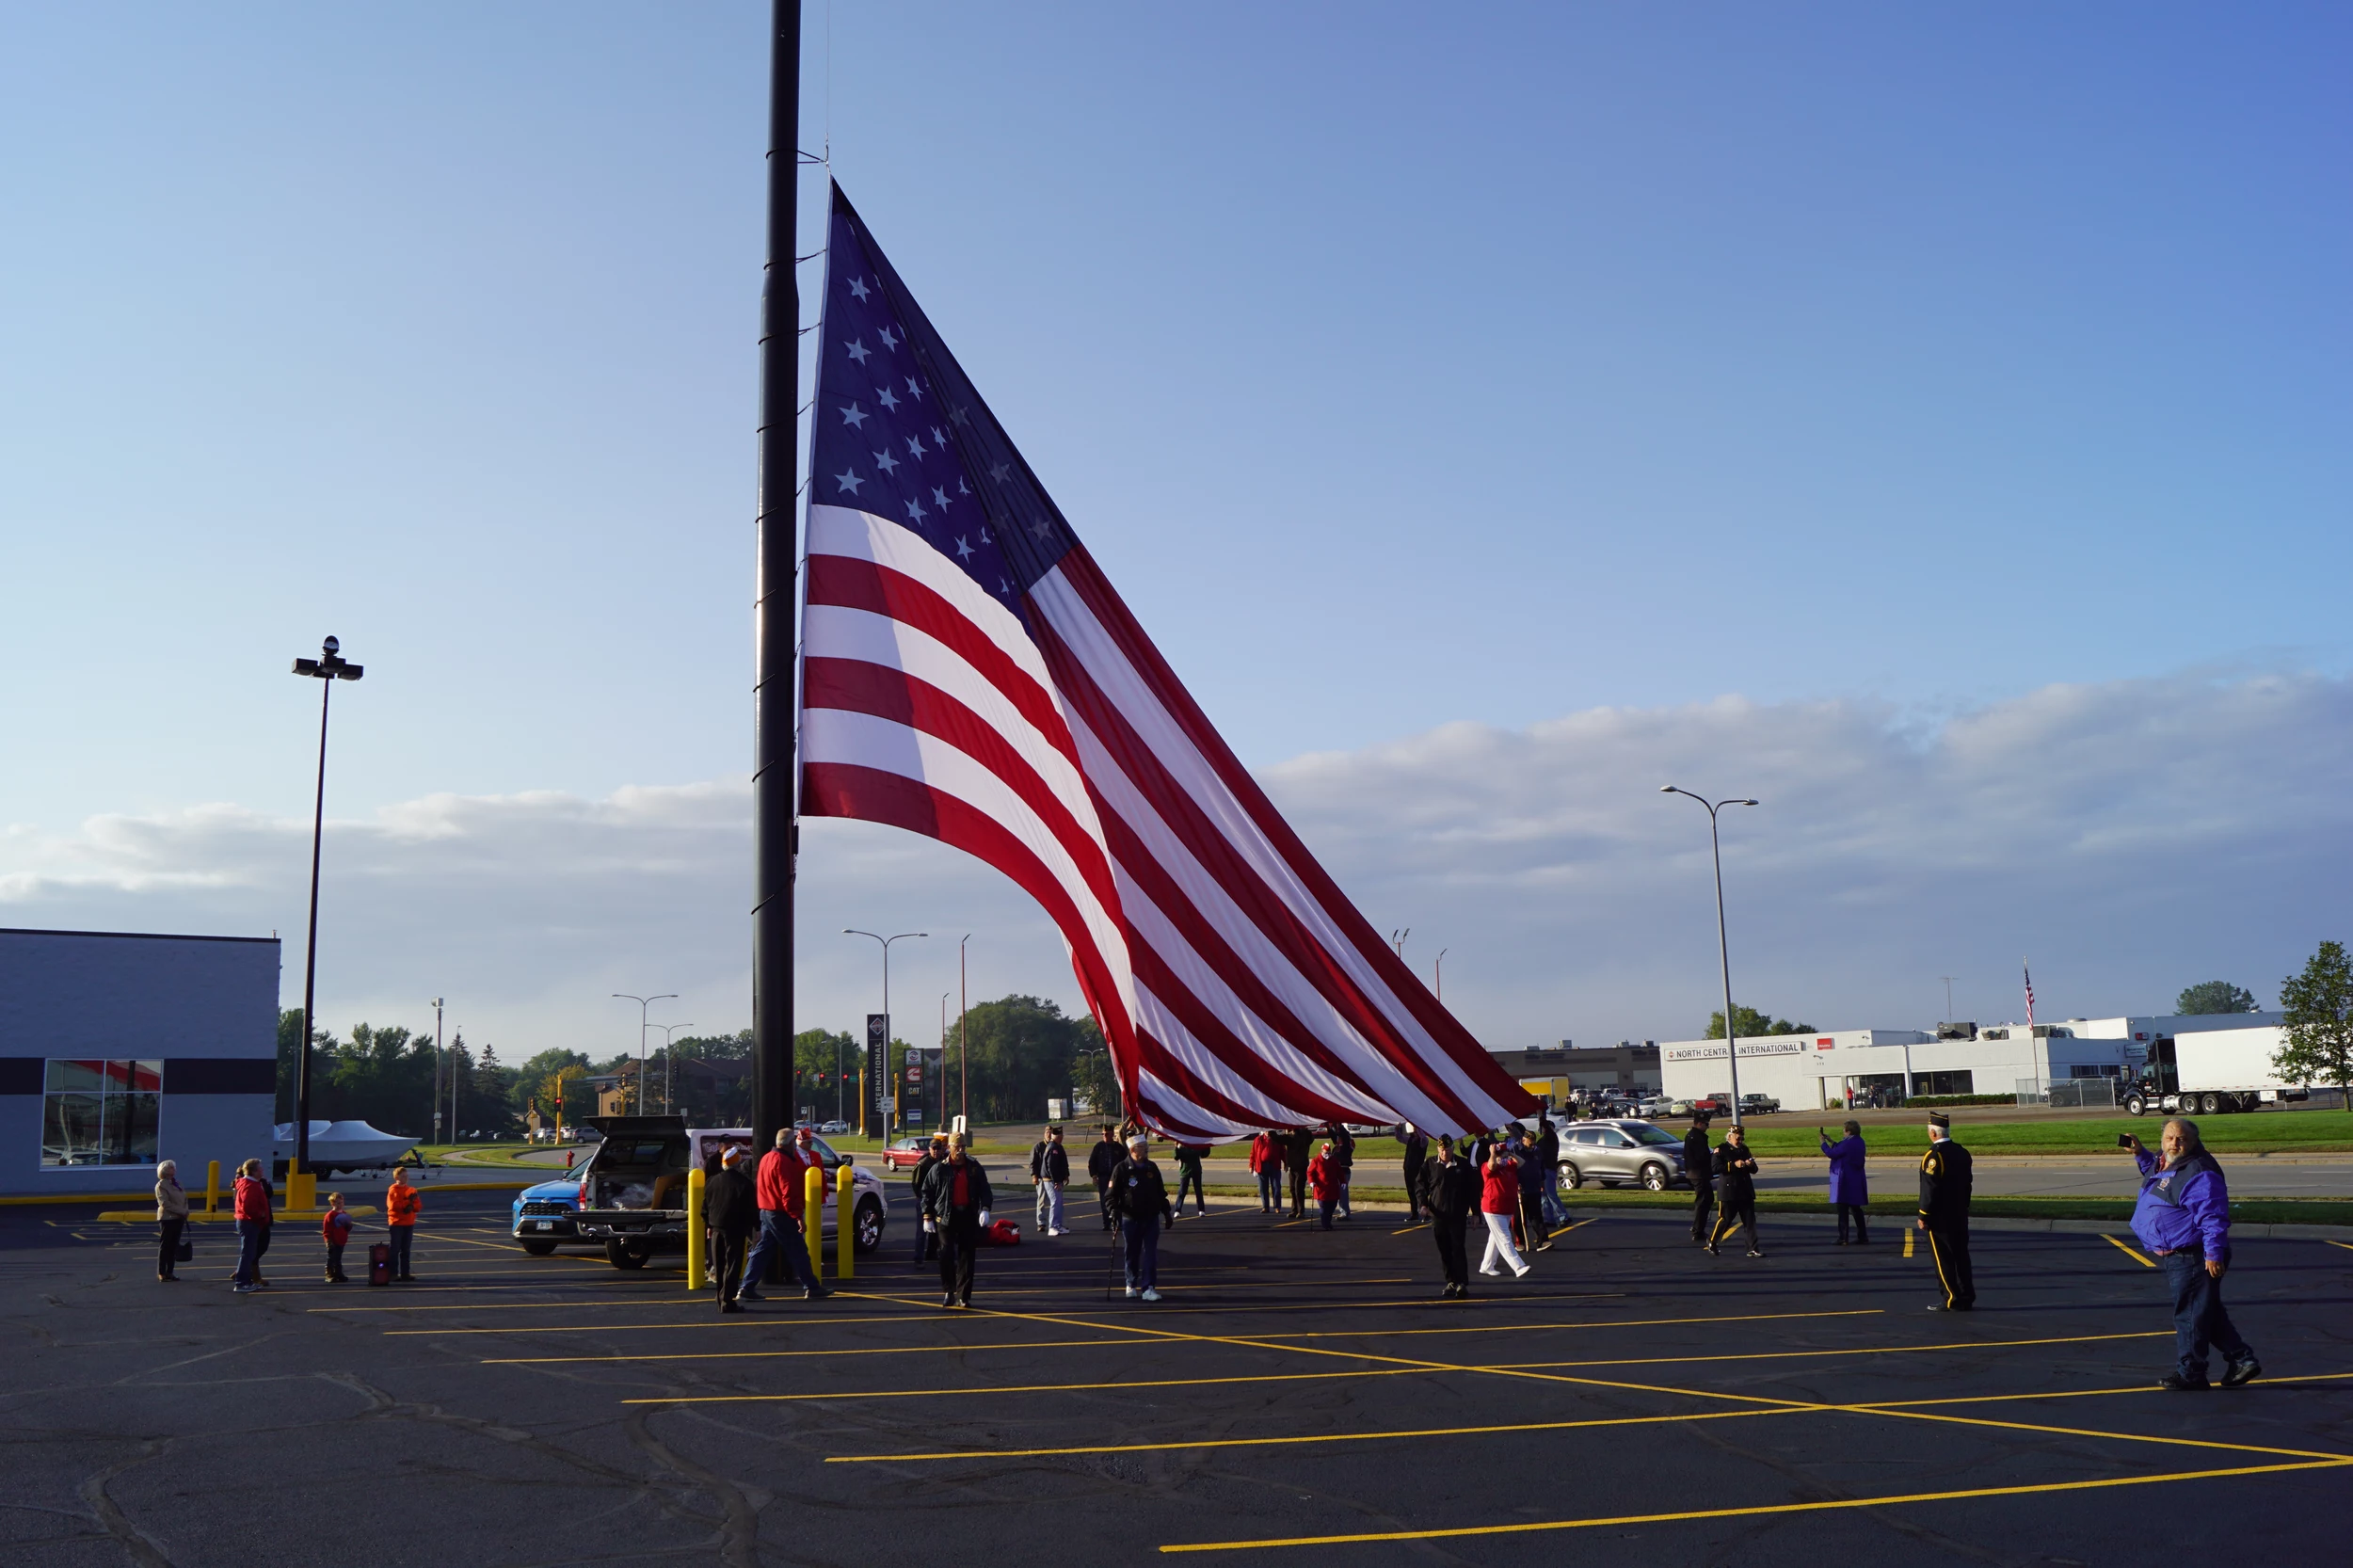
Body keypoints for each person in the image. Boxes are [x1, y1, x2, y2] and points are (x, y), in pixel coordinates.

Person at [2126, 1119, 2258, 1389]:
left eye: (2182, 1139)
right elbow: (2158, 1179)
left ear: (2194, 1142)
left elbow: (2213, 1218)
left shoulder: (2199, 1172)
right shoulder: (2166, 1163)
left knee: (2189, 1315)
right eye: (2169, 1138)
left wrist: (2214, 1254)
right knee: (2204, 1311)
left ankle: (2192, 1372)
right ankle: (2241, 1359)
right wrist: (2140, 1154)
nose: (2175, 1143)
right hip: (2179, 1256)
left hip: (2194, 1256)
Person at [742, 1127, 830, 1302]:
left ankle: (747, 1285)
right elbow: (787, 1192)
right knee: (798, 1250)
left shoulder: (767, 1158)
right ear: (790, 1143)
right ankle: (811, 1286)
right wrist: (797, 1216)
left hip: (766, 1210)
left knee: (763, 1249)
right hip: (780, 1212)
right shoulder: (784, 1161)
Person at [919, 1132, 993, 1308]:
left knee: (967, 1256)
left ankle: (963, 1296)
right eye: (957, 1147)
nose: (960, 1151)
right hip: (945, 1217)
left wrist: (985, 1208)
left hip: (967, 1215)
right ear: (949, 1148)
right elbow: (926, 1192)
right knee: (945, 1254)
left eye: (963, 1147)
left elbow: (985, 1189)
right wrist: (927, 1216)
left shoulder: (974, 1167)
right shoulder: (939, 1168)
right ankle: (949, 1291)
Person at [1918, 1112, 1974, 1310]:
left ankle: (1951, 1298)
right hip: (1959, 1213)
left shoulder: (1934, 1156)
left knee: (1943, 1259)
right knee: (1961, 1256)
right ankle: (1966, 1295)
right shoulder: (1962, 1152)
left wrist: (1924, 1214)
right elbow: (1968, 1184)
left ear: (1933, 1133)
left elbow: (1930, 1188)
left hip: (1940, 1217)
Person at [1109, 1134, 1175, 1301]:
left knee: (1151, 1253)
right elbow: (1110, 1195)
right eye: (1142, 1146)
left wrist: (1166, 1212)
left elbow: (1160, 1192)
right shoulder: (1121, 1169)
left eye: (1145, 1146)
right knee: (1131, 1253)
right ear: (1132, 1150)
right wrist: (1113, 1211)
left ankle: (1148, 1287)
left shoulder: (1152, 1168)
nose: (1146, 1149)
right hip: (1130, 1219)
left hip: (1151, 1218)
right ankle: (1131, 1283)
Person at [1417, 1133, 1479, 1297]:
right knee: (1444, 1250)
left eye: (1448, 1149)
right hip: (1438, 1215)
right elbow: (1420, 1185)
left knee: (1458, 1248)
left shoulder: (1463, 1165)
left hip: (1457, 1214)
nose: (1445, 1153)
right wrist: (1423, 1204)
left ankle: (1461, 1283)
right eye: (1442, 1150)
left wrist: (1476, 1213)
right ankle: (1450, 1281)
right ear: (1438, 1149)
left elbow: (1472, 1190)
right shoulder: (1430, 1164)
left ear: (1453, 1148)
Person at [704, 1145, 758, 1313]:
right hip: (735, 1230)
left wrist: (709, 1225)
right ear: (737, 1163)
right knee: (732, 1266)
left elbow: (705, 1206)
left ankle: (719, 1297)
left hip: (716, 1229)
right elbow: (751, 1209)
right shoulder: (744, 1183)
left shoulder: (712, 1181)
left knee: (719, 1266)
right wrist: (755, 1229)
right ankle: (727, 1300)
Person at [1479, 1139, 1531, 1278]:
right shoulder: (1487, 1166)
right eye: (1499, 1154)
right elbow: (1491, 1165)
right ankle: (1518, 1266)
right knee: (1504, 1238)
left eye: (1502, 1154)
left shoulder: (1509, 1165)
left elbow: (1522, 1163)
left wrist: (1509, 1153)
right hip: (1493, 1207)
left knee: (1495, 1238)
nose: (1501, 1157)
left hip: (1507, 1208)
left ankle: (1487, 1265)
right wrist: (1492, 1154)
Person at [1707, 1124, 1762, 1257]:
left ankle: (1752, 1248)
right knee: (1725, 1219)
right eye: (1738, 1138)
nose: (1741, 1141)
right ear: (1730, 1137)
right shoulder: (1721, 1150)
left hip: (1745, 1190)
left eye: (1742, 1138)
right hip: (1729, 1191)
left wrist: (1750, 1165)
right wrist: (1733, 1165)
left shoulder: (1744, 1149)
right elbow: (1715, 1168)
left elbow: (1754, 1170)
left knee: (1750, 1221)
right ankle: (1713, 1241)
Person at [1819, 1119, 1870, 1244]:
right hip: (1856, 1178)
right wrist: (1831, 1141)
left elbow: (1832, 1154)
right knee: (1856, 1209)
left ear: (1848, 1131)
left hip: (1845, 1179)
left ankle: (1843, 1237)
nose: (1843, 1131)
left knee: (1842, 1209)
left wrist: (1823, 1143)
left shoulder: (1847, 1144)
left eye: (1844, 1130)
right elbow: (1841, 1148)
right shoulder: (1859, 1141)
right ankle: (1862, 1236)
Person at [232, 1158, 271, 1293]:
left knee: (249, 1253)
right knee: (247, 1253)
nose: (262, 1171)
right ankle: (241, 1282)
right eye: (260, 1169)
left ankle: (246, 1280)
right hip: (250, 1223)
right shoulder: (250, 1185)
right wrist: (261, 1215)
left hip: (249, 1222)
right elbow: (248, 1207)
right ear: (254, 1171)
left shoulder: (249, 1183)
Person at [910, 1132, 949, 1264]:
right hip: (923, 1200)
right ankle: (918, 1258)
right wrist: (922, 1199)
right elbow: (916, 1184)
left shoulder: (944, 1162)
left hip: (938, 1202)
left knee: (936, 1231)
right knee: (922, 1232)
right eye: (934, 1148)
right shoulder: (923, 1164)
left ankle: (931, 1254)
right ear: (930, 1149)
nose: (936, 1151)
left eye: (938, 1148)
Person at [1030, 1125, 1070, 1237]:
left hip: (1053, 1179)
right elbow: (1051, 1166)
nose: (1062, 1137)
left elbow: (1063, 1163)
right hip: (1050, 1180)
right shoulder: (1051, 1147)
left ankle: (1058, 1225)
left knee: (1058, 1203)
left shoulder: (1057, 1146)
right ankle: (1052, 1226)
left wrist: (1066, 1175)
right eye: (1061, 1135)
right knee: (1054, 1202)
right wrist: (1056, 1181)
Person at [1516, 1126, 1552, 1252]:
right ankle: (1520, 1242)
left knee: (1536, 1216)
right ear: (1523, 1140)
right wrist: (1515, 1183)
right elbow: (1511, 1169)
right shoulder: (1516, 1150)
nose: (1532, 1146)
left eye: (1533, 1143)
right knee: (1519, 1218)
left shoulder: (1537, 1151)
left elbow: (1541, 1167)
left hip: (1534, 1188)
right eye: (1530, 1144)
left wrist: (1542, 1182)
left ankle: (1543, 1241)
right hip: (1520, 1190)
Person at [1684, 1113, 1717, 1245]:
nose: (1708, 1127)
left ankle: (1698, 1227)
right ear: (1699, 1123)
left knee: (1706, 1200)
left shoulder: (1694, 1136)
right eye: (1706, 1124)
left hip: (1697, 1173)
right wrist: (1713, 1156)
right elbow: (1701, 1156)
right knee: (1703, 1201)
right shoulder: (1696, 1137)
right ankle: (1698, 1230)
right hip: (1698, 1173)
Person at [154, 1160, 188, 1283]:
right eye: (170, 1168)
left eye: (174, 1167)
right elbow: (164, 1203)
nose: (174, 1170)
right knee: (165, 1246)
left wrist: (185, 1210)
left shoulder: (177, 1183)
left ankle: (170, 1272)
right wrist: (181, 1211)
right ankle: (161, 1272)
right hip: (167, 1218)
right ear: (164, 1170)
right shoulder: (161, 1185)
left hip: (179, 1218)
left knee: (174, 1246)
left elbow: (184, 1198)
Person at [384, 1167, 421, 1281]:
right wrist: (407, 1203)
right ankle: (392, 1273)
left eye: (406, 1176)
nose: (405, 1178)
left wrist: (412, 1206)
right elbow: (394, 1206)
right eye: (403, 1176)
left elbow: (418, 1205)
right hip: (397, 1223)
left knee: (406, 1249)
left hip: (409, 1222)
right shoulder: (393, 1190)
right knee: (395, 1249)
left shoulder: (411, 1190)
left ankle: (405, 1273)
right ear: (396, 1178)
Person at [1088, 1126, 1126, 1233]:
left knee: (1118, 1199)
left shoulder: (1118, 1148)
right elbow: (1092, 1162)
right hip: (1103, 1177)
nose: (1105, 1136)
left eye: (1107, 1134)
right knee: (1104, 1201)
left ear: (1112, 1134)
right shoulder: (1098, 1147)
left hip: (1116, 1178)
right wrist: (1094, 1176)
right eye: (1103, 1134)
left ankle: (1119, 1222)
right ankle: (1106, 1223)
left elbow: (1124, 1163)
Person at [1536, 1114, 1566, 1226]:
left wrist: (1541, 1116)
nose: (1543, 1129)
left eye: (1545, 1128)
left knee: (1551, 1194)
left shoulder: (1552, 1137)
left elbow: (1547, 1128)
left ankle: (1563, 1216)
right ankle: (1549, 1219)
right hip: (1542, 1170)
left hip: (1549, 1169)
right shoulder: (1543, 1140)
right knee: (1543, 1196)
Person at [1306, 1141, 1342, 1229]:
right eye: (1326, 1153)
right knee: (1323, 1207)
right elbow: (1310, 1172)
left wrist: (1343, 1181)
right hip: (1321, 1189)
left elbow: (1339, 1172)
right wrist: (1311, 1182)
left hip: (1332, 1188)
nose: (1328, 1155)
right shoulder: (1316, 1161)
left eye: (1329, 1153)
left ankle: (1328, 1222)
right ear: (1322, 1152)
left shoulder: (1334, 1160)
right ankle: (1325, 1224)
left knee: (1332, 1206)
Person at [321, 1192, 352, 1283]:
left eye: (341, 1203)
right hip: (333, 1240)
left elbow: (347, 1228)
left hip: (341, 1240)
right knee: (331, 1258)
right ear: (332, 1204)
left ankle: (338, 1273)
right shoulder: (330, 1215)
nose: (340, 1205)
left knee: (338, 1258)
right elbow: (326, 1230)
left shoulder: (344, 1214)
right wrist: (328, 1241)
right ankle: (329, 1275)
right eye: (338, 1203)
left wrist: (349, 1226)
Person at [1399, 1122, 1429, 1214]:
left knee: (1420, 1191)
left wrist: (1418, 1127)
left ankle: (1425, 1212)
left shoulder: (1423, 1141)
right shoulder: (1410, 1139)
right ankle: (1414, 1213)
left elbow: (1423, 1137)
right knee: (1410, 1191)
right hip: (1408, 1169)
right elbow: (1399, 1138)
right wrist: (1397, 1129)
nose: (1415, 1131)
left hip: (1418, 1169)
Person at [1284, 1128, 1313, 1220]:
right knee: (1292, 1189)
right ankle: (1295, 1209)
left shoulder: (1302, 1137)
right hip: (1293, 1167)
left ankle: (1301, 1211)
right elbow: (1280, 1140)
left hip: (1301, 1167)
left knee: (1298, 1190)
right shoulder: (1291, 1137)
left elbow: (1310, 1137)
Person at [1173, 1141, 1208, 1217]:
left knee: (1198, 1191)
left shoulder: (1196, 1145)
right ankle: (1177, 1210)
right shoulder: (1181, 1146)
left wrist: (1207, 1145)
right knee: (1182, 1191)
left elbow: (1204, 1154)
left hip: (1196, 1170)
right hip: (1185, 1171)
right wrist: (1176, 1147)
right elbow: (1176, 1157)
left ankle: (1201, 1210)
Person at [1250, 1130, 1282, 1212]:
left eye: (1269, 1131)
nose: (1267, 1132)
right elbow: (1253, 1153)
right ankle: (1265, 1207)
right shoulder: (1258, 1140)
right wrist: (1251, 1166)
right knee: (1263, 1188)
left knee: (1276, 1187)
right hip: (1262, 1166)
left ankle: (1277, 1207)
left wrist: (1286, 1163)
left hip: (1274, 1166)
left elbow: (1283, 1152)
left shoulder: (1276, 1139)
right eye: (1266, 1131)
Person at [1330, 1124, 1356, 1218]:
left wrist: (1337, 1128)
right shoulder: (1341, 1147)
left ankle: (1345, 1212)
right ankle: (1343, 1211)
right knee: (1338, 1192)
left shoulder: (1344, 1146)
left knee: (1342, 1193)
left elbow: (1339, 1136)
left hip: (1343, 1170)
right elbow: (1335, 1138)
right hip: (1341, 1170)